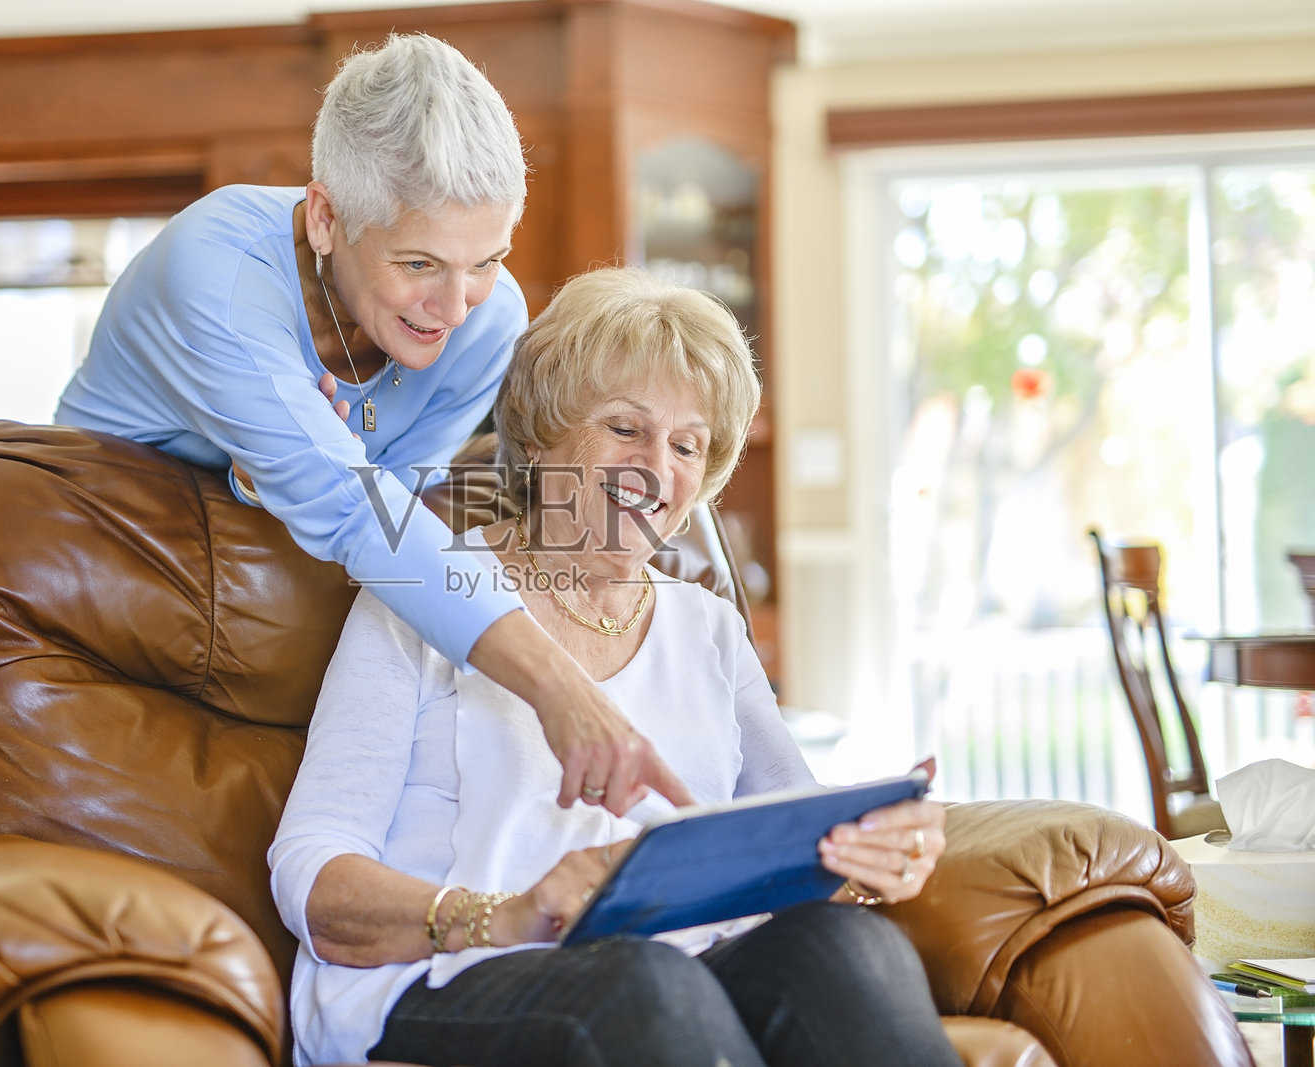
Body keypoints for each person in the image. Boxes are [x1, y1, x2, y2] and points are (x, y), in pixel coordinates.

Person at [269, 268, 960, 1067]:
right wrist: (509, 912)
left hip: (673, 974)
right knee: (645, 981)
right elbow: (313, 871)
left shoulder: (708, 629)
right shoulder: (424, 596)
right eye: (626, 428)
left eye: (687, 444)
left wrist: (871, 853)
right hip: (452, 972)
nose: (657, 468)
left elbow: (793, 831)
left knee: (841, 946)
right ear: (542, 438)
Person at [55, 32, 687, 817]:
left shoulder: (488, 324)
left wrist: (287, 469)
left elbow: (390, 504)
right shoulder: (215, 270)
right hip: (113, 588)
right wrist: (563, 687)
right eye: (419, 263)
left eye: (486, 260)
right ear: (326, 218)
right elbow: (358, 511)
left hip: (288, 601)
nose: (454, 308)